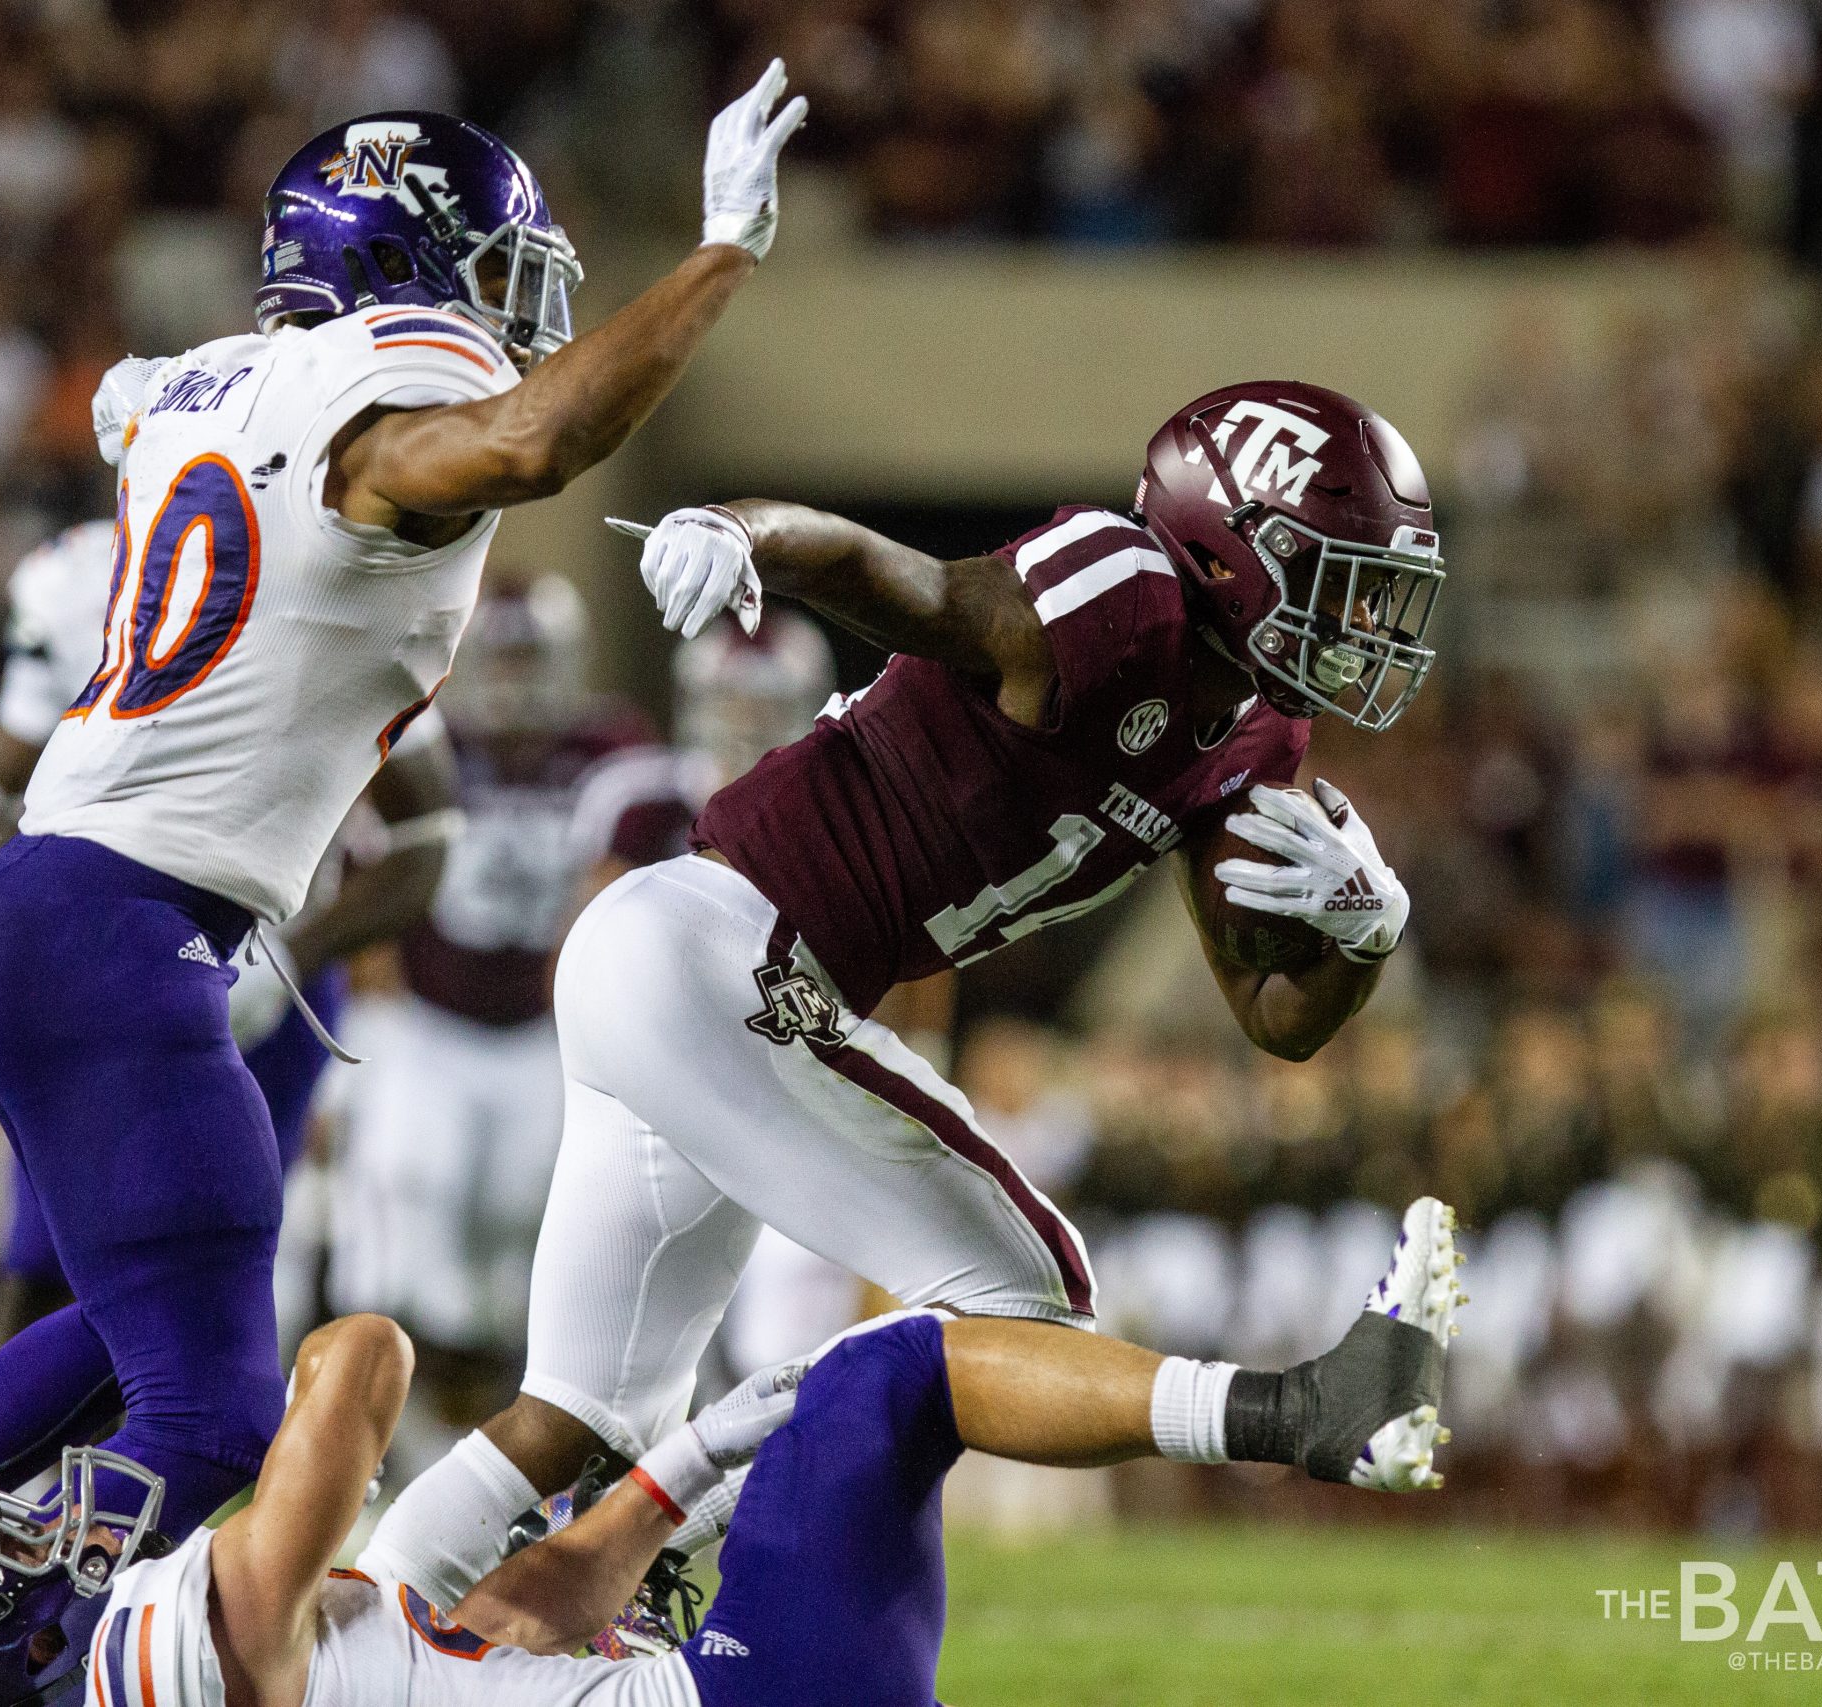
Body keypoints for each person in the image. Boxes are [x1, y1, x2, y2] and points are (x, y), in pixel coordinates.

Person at [0, 71, 808, 1707]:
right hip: (120, 926)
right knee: (219, 1402)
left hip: (56, 912)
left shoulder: (225, 382)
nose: (514, 319)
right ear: (405, 267)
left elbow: (180, 423)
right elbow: (532, 436)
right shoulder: (375, 393)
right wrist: (724, 253)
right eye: (491, 277)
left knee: (134, 1320)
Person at [365, 380, 1447, 1607]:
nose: (1360, 618)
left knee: (577, 1415)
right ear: (1223, 545)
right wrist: (744, 530)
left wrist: (1363, 935)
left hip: (700, 978)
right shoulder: (1122, 593)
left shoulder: (1256, 741)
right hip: (722, 950)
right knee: (1028, 1290)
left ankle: (345, 1619)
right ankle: (1297, 1410)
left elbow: (1272, 1019)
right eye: (1331, 573)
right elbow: (902, 583)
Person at [0, 1199, 1463, 1707]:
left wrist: (705, 1441)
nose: (46, 1514)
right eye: (15, 1536)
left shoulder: (311, 1638)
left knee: (854, 1381)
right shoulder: (144, 1661)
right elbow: (357, 1368)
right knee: (901, 1371)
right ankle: (1310, 1415)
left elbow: (530, 1585)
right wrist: (248, 1429)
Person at [0, 518, 462, 1343]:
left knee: (231, 1278)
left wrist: (300, 950)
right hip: (103, 969)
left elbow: (426, 834)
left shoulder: (340, 566)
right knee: (57, 1280)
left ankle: (155, 1465)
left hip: (260, 965)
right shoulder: (74, 578)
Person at [327, 572, 688, 1434]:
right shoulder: (423, 739)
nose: (516, 676)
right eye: (503, 655)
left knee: (528, 1231)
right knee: (411, 1205)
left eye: (531, 656)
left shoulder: (612, 750)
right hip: (429, 1025)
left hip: (549, 1033)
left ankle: (479, 1443)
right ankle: (391, 1447)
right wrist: (375, 1036)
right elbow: (369, 888)